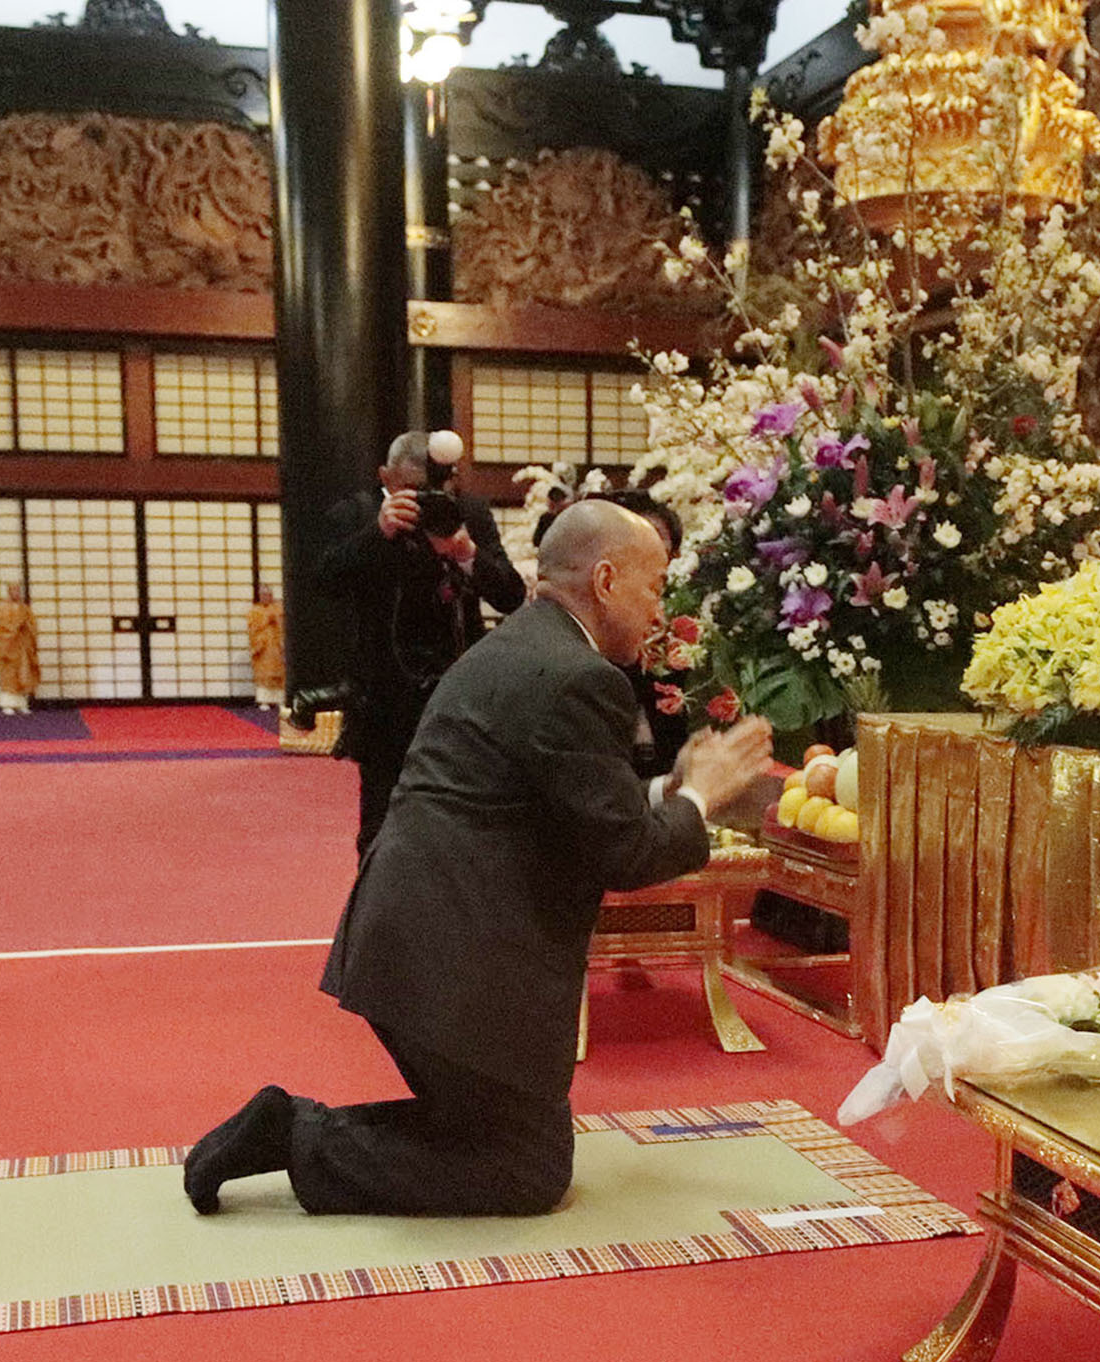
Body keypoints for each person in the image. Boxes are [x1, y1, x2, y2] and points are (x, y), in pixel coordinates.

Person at [184, 500, 774, 1217]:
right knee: (525, 1170)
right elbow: (624, 853)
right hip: (453, 963)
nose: (659, 610)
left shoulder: (523, 645)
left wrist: (672, 789)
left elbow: (567, 801)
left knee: (491, 1140)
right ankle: (300, 1136)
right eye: (654, 586)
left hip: (415, 939)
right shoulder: (579, 677)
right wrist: (702, 799)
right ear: (606, 579)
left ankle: (293, 1129)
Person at [316, 431, 525, 856]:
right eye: (410, 489)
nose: (423, 500)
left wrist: (466, 552)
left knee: (459, 822)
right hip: (383, 697)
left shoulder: (465, 513)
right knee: (381, 826)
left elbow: (511, 596)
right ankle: (378, 897)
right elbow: (324, 581)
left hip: (458, 694)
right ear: (385, 477)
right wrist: (378, 532)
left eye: (433, 488)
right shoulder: (357, 513)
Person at [0, 582, 38, 715]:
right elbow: (0, 627)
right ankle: (7, 704)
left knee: (23, 674)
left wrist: (26, 627)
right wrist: (15, 627)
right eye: (13, 590)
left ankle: (21, 703)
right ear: (9, 592)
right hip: (9, 647)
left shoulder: (24, 608)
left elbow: (32, 625)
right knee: (9, 675)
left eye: (18, 590)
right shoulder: (2, 608)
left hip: (22, 646)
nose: (16, 593)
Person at [247, 583, 285, 711]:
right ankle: (264, 700)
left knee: (279, 673)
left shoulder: (279, 609)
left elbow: (284, 625)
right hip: (262, 647)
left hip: (277, 646)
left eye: (268, 594)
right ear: (259, 596)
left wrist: (277, 621)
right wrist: (266, 620)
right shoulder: (254, 611)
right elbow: (252, 628)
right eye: (263, 594)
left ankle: (280, 700)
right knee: (264, 673)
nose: (266, 597)